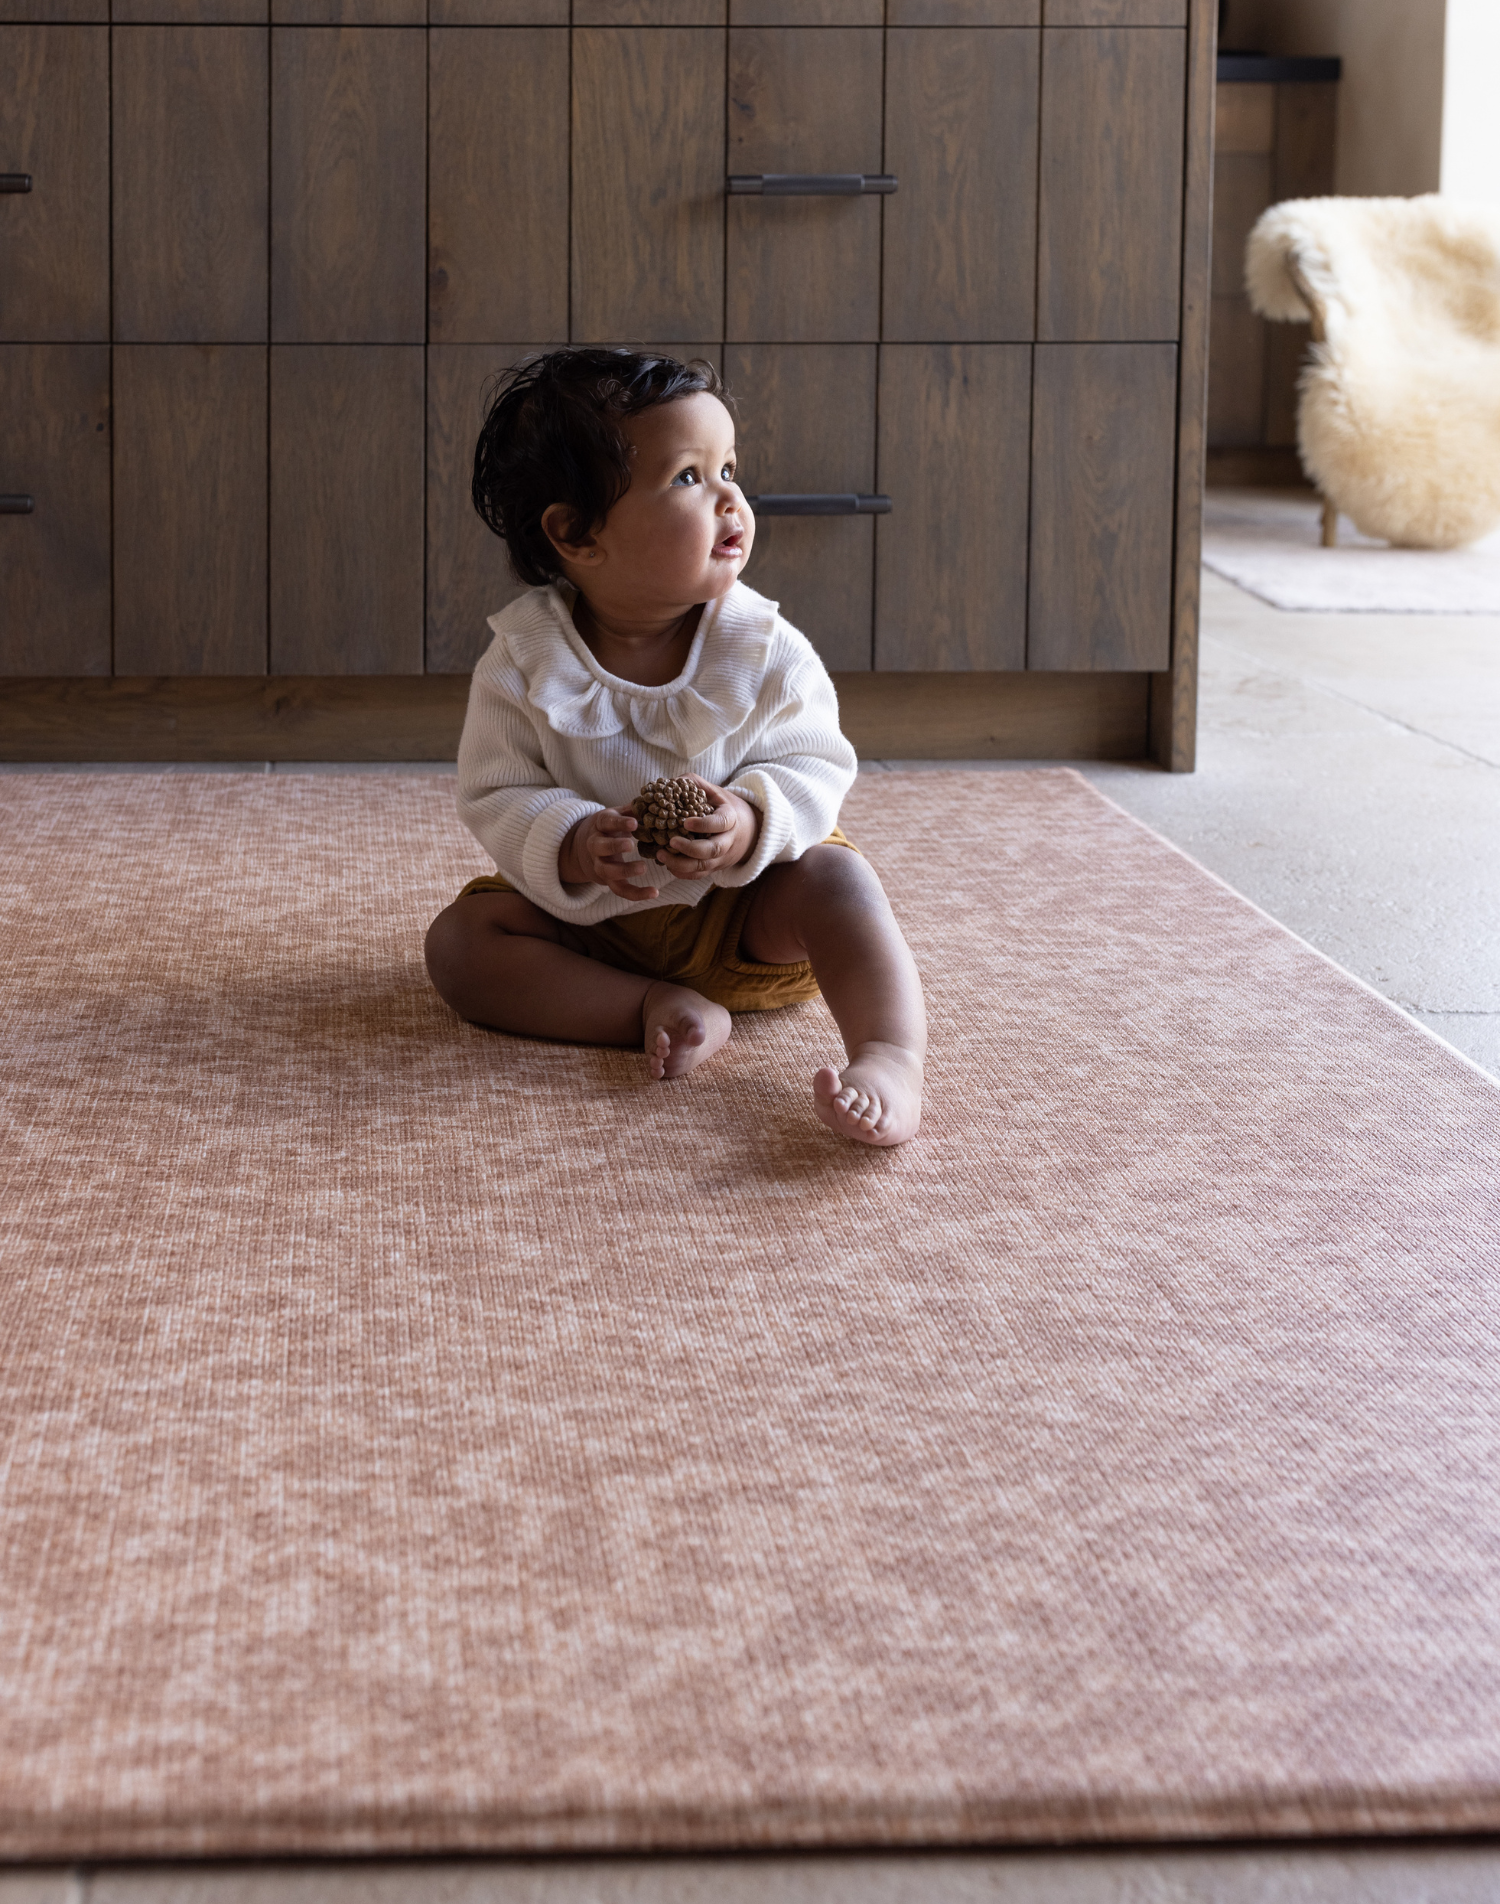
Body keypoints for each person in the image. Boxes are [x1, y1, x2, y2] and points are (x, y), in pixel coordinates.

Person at [423, 348, 925, 1147]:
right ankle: (647, 1006)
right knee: (459, 947)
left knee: (841, 881)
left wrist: (751, 823)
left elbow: (815, 765)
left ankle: (889, 1053)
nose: (730, 496)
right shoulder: (525, 660)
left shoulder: (762, 646)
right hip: (594, 925)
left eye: (730, 468)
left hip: (747, 919)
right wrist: (575, 842)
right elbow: (496, 791)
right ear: (577, 533)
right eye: (689, 477)